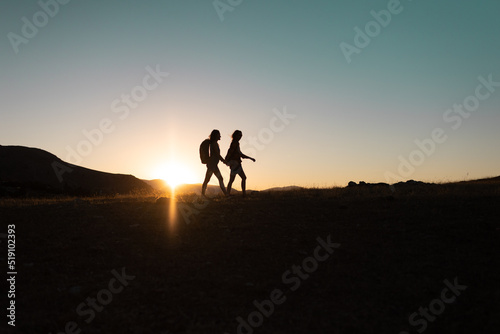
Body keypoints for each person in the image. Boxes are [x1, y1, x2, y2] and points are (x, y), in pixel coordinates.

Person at [225, 130, 256, 197]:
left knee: (232, 180)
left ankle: (228, 194)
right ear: (235, 135)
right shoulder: (235, 143)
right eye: (239, 135)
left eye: (241, 135)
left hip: (235, 163)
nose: (240, 136)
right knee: (243, 178)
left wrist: (249, 158)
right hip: (235, 163)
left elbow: (238, 153)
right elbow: (231, 151)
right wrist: (227, 160)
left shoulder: (235, 143)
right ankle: (243, 194)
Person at [202, 129, 228, 197]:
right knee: (208, 179)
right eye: (219, 134)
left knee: (217, 178)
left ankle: (226, 194)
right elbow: (217, 154)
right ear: (215, 135)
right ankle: (203, 195)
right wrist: (224, 161)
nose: (220, 136)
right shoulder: (214, 143)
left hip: (213, 165)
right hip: (212, 165)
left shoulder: (214, 143)